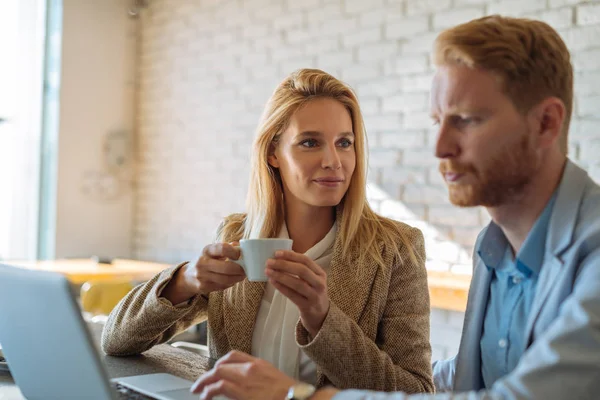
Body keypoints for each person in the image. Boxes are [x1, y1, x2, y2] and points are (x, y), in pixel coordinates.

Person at [189, 15, 600, 400]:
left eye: (468, 120)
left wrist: (295, 394)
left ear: (546, 123)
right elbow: (470, 378)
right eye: (438, 120)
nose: (440, 148)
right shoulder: (491, 248)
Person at [101, 68, 434, 393]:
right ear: (273, 153)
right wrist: (186, 280)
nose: (334, 160)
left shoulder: (396, 248)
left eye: (344, 143)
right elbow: (116, 340)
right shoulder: (236, 234)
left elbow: (417, 391)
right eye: (310, 143)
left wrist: (322, 319)